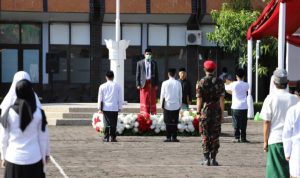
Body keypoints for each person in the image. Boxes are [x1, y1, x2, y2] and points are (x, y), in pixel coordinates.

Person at [0, 79, 50, 178]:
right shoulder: (39, 113)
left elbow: (3, 138)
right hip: (34, 158)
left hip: (13, 158)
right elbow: (43, 138)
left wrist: (3, 156)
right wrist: (45, 155)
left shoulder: (8, 113)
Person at [260, 69, 298, 178]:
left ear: (274, 82)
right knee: (291, 172)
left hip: (276, 139)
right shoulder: (295, 99)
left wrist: (265, 141)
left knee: (275, 173)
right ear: (287, 82)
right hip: (293, 141)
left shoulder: (270, 99)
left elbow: (266, 122)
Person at [196, 60, 225, 166]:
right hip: (216, 111)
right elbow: (222, 99)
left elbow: (199, 99)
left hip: (205, 111)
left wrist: (198, 112)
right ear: (214, 69)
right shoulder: (220, 82)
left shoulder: (201, 82)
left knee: (205, 135)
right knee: (215, 135)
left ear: (204, 69)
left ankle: (206, 159)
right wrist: (221, 114)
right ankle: (213, 159)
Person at [225, 68, 249, 143]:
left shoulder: (233, 84)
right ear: (244, 76)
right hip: (244, 106)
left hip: (235, 106)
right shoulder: (246, 85)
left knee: (236, 122)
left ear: (236, 76)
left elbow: (226, 87)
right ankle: (243, 138)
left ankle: (237, 137)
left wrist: (227, 82)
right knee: (243, 123)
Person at [98, 71, 123, 142]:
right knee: (113, 123)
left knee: (106, 123)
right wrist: (120, 107)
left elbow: (100, 98)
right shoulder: (118, 86)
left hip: (106, 107)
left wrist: (99, 108)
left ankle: (106, 137)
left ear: (106, 77)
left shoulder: (102, 86)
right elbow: (120, 98)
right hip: (114, 107)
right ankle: (113, 137)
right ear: (113, 77)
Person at [282, 81, 300, 178]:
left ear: (296, 93)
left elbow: (287, 134)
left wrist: (287, 153)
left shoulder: (292, 110)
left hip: (297, 150)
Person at [160, 68, 182, 142]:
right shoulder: (178, 83)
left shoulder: (164, 83)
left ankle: (168, 137)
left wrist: (161, 105)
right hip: (176, 105)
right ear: (175, 74)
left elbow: (162, 95)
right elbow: (180, 95)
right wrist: (180, 104)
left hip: (167, 105)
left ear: (168, 74)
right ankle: (174, 137)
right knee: (175, 122)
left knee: (167, 122)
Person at [136, 48, 159, 114]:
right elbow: (138, 74)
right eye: (147, 54)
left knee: (152, 99)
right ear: (144, 54)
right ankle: (144, 114)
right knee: (144, 99)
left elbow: (157, 74)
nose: (148, 55)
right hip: (143, 84)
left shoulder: (154, 63)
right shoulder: (140, 63)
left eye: (150, 54)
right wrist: (138, 84)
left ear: (151, 55)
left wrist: (157, 84)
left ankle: (152, 114)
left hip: (152, 83)